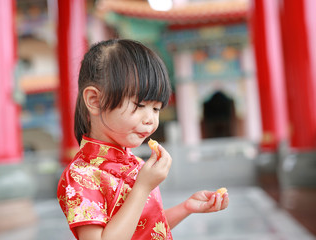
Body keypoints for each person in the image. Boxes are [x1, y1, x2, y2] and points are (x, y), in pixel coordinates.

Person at [57, 39, 229, 240]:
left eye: (156, 108)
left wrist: (186, 207)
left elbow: (143, 229)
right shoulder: (80, 175)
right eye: (139, 105)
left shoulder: (135, 164)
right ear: (95, 100)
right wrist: (142, 188)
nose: (150, 120)